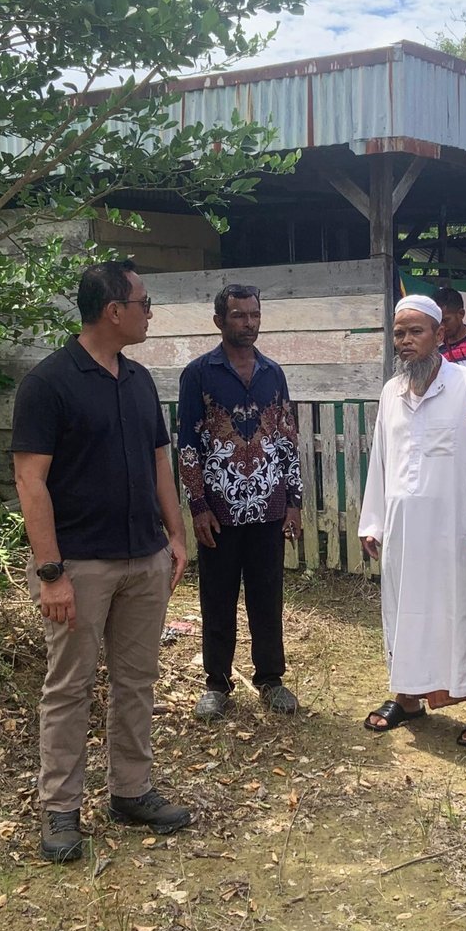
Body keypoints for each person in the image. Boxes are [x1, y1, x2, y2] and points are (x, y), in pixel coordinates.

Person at [12, 260, 193, 863]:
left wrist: (175, 535)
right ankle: (60, 809)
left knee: (135, 682)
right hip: (81, 567)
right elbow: (30, 482)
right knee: (68, 688)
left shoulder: (139, 381)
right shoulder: (48, 384)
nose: (149, 312)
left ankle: (131, 791)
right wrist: (51, 572)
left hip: (145, 560)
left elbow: (159, 464)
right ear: (114, 311)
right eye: (145, 303)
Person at [356, 294, 466, 748]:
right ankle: (408, 697)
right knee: (407, 608)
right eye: (399, 333)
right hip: (406, 527)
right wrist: (373, 522)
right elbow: (382, 460)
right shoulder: (391, 392)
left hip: (460, 527)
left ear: (440, 335)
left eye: (416, 332)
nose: (406, 341)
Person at [177, 284, 304, 722]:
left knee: (267, 595)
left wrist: (294, 501)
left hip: (268, 506)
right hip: (220, 510)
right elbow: (188, 446)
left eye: (254, 314)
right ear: (219, 321)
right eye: (238, 315)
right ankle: (217, 682)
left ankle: (270, 678)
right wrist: (197, 506)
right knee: (217, 596)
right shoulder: (198, 374)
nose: (248, 323)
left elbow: (288, 438)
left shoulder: (273, 373)